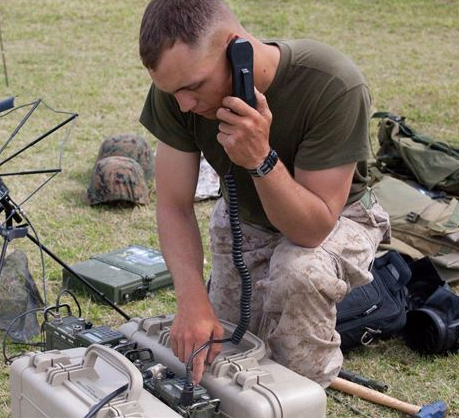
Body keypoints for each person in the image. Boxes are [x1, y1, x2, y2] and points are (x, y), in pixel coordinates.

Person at [138, 0, 390, 388]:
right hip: (246, 220)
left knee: (298, 272)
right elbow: (173, 205)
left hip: (337, 219)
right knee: (227, 350)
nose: (184, 104)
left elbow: (312, 230)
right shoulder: (177, 92)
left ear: (238, 51)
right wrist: (191, 301)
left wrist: (260, 158)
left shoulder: (333, 83)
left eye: (193, 87)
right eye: (172, 92)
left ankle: (305, 397)